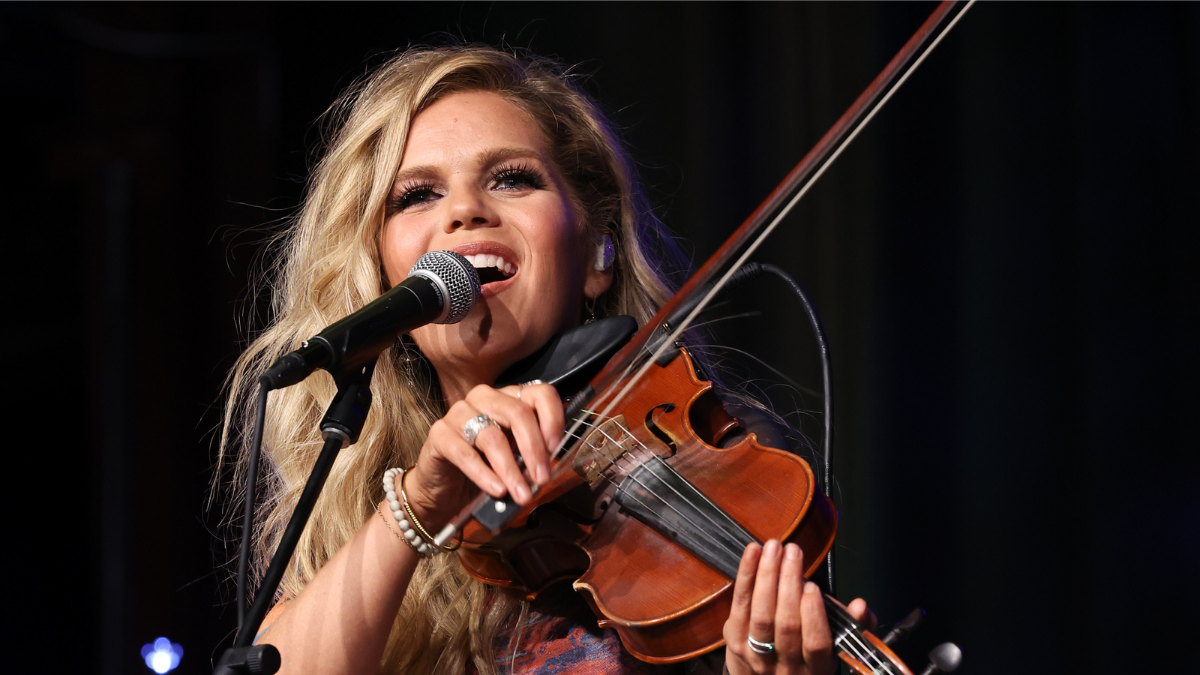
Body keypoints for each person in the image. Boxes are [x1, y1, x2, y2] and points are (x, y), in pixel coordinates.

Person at [222, 45, 875, 675]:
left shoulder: (718, 454)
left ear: (597, 251)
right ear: (380, 271)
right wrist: (416, 507)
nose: (465, 211)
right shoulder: (353, 514)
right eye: (416, 194)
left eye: (512, 178)